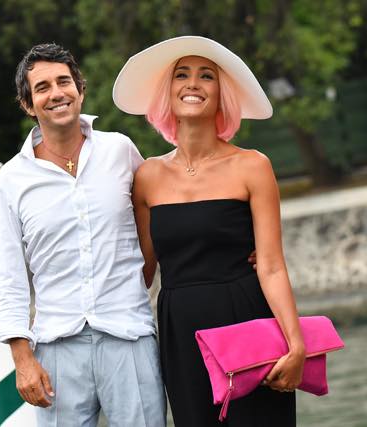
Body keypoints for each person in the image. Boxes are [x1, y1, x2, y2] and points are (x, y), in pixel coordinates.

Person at [113, 36, 306, 426]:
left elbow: (270, 265)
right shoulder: (146, 176)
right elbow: (141, 274)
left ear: (223, 93)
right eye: (181, 75)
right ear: (167, 93)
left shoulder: (253, 166)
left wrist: (297, 344)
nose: (193, 84)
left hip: (247, 319)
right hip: (179, 331)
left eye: (207, 76)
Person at [0, 43, 167, 427]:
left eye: (63, 81)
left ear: (80, 89)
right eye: (42, 88)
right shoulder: (11, 180)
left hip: (128, 335)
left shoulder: (120, 151)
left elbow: (160, 215)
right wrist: (23, 361)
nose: (56, 93)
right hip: (55, 348)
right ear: (27, 104)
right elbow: (9, 277)